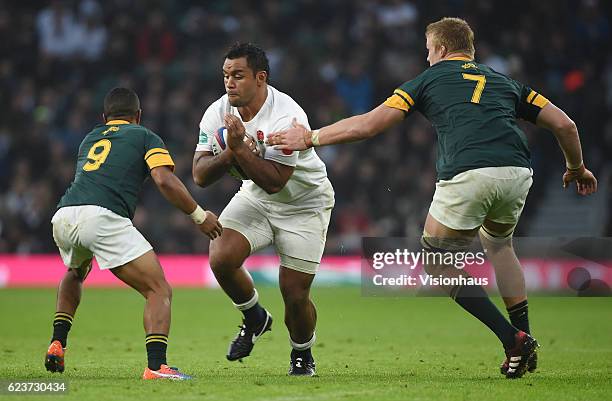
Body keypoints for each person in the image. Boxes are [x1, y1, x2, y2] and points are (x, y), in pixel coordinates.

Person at [267, 17, 598, 379]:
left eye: (428, 51)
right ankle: (525, 339)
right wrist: (576, 167)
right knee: (500, 246)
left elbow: (369, 125)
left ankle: (511, 338)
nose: (426, 59)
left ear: (440, 49)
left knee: (436, 260)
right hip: (518, 173)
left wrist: (311, 137)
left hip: (468, 172)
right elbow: (565, 125)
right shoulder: (505, 82)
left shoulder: (428, 79)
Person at [45, 87, 223, 380]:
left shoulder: (90, 138)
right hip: (101, 216)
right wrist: (199, 216)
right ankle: (156, 367)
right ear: (138, 116)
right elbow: (164, 180)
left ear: (105, 118)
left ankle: (57, 343)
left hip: (64, 214)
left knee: (76, 272)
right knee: (158, 289)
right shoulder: (144, 136)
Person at [192, 42, 334, 376]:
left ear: (260, 78)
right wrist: (233, 151)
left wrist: (238, 150)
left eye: (238, 75)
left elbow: (276, 181)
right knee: (221, 257)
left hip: (305, 204)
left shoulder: (288, 115)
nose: (229, 83)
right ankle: (255, 317)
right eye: (226, 75)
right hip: (256, 196)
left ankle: (302, 354)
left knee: (294, 294)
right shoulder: (217, 112)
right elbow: (199, 174)